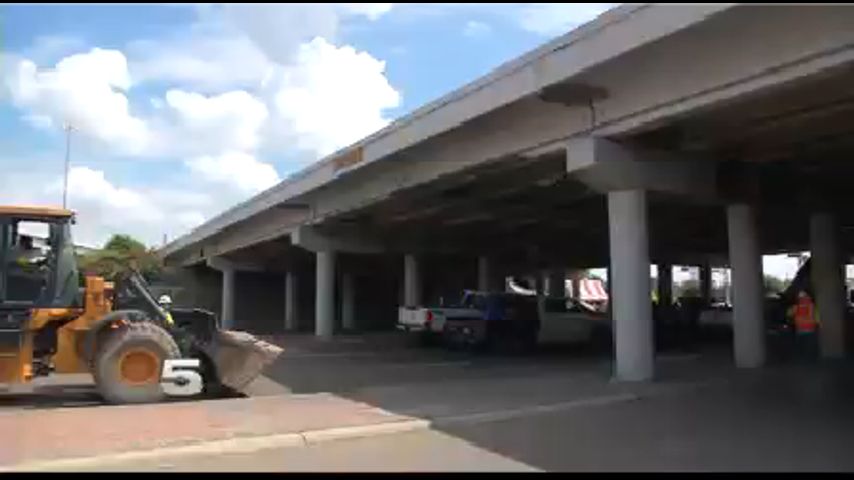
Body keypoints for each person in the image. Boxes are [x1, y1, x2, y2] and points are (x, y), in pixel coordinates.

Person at [788, 290, 819, 361]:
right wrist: (817, 324)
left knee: (800, 346)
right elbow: (816, 315)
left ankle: (802, 359)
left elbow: (789, 314)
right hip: (811, 329)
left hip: (800, 329)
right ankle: (810, 360)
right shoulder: (811, 305)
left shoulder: (796, 306)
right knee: (810, 346)